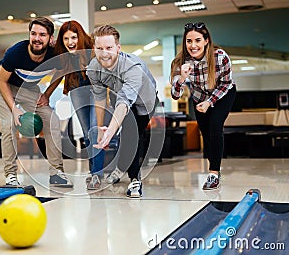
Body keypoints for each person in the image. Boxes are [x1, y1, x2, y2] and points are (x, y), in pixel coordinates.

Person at [0, 17, 73, 188]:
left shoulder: (56, 53)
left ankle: (56, 172)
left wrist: (48, 94)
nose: (36, 38)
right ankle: (11, 175)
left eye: (42, 35)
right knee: (9, 125)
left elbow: (63, 71)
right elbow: (2, 81)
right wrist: (14, 109)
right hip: (2, 85)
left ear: (50, 38)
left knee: (52, 120)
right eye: (33, 33)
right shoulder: (15, 53)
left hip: (28, 88)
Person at [86, 25, 158, 198]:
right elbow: (99, 97)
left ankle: (132, 178)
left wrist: (111, 131)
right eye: (99, 48)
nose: (104, 54)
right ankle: (129, 174)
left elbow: (126, 102)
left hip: (144, 103)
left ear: (118, 48)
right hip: (119, 100)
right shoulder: (93, 68)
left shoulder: (134, 67)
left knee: (132, 134)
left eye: (109, 48)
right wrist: (100, 129)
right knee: (128, 134)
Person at [170, 22, 236, 190]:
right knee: (206, 134)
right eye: (189, 41)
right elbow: (175, 95)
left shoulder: (220, 57)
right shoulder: (180, 62)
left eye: (198, 40)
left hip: (223, 93)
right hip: (199, 97)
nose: (193, 45)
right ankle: (215, 167)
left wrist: (210, 102)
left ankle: (213, 173)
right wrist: (182, 78)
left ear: (206, 41)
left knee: (215, 126)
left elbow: (225, 84)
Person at [50, 20, 105, 190]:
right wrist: (46, 95)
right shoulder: (65, 55)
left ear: (80, 36)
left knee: (96, 131)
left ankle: (97, 175)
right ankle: (92, 172)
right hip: (76, 91)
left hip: (96, 91)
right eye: (66, 39)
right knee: (87, 134)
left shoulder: (93, 50)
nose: (70, 42)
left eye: (73, 37)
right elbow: (58, 74)